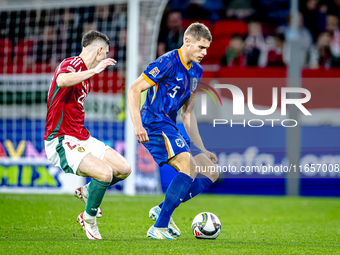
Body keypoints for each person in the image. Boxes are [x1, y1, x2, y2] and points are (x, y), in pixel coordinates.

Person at [128, 23, 219, 240]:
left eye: (206, 48)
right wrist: (137, 124)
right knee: (187, 166)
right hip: (153, 122)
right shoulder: (167, 61)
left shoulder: (196, 71)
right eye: (201, 47)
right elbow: (134, 89)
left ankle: (162, 209)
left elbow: (188, 114)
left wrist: (203, 149)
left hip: (170, 124)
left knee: (210, 171)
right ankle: (159, 226)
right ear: (187, 41)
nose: (204, 53)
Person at [44, 30, 131, 240]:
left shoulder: (85, 77)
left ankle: (87, 191)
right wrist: (95, 71)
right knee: (105, 173)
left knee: (123, 169)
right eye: (106, 53)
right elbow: (62, 81)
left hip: (81, 136)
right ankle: (89, 220)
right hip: (61, 139)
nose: (106, 57)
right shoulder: (72, 64)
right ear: (99, 50)